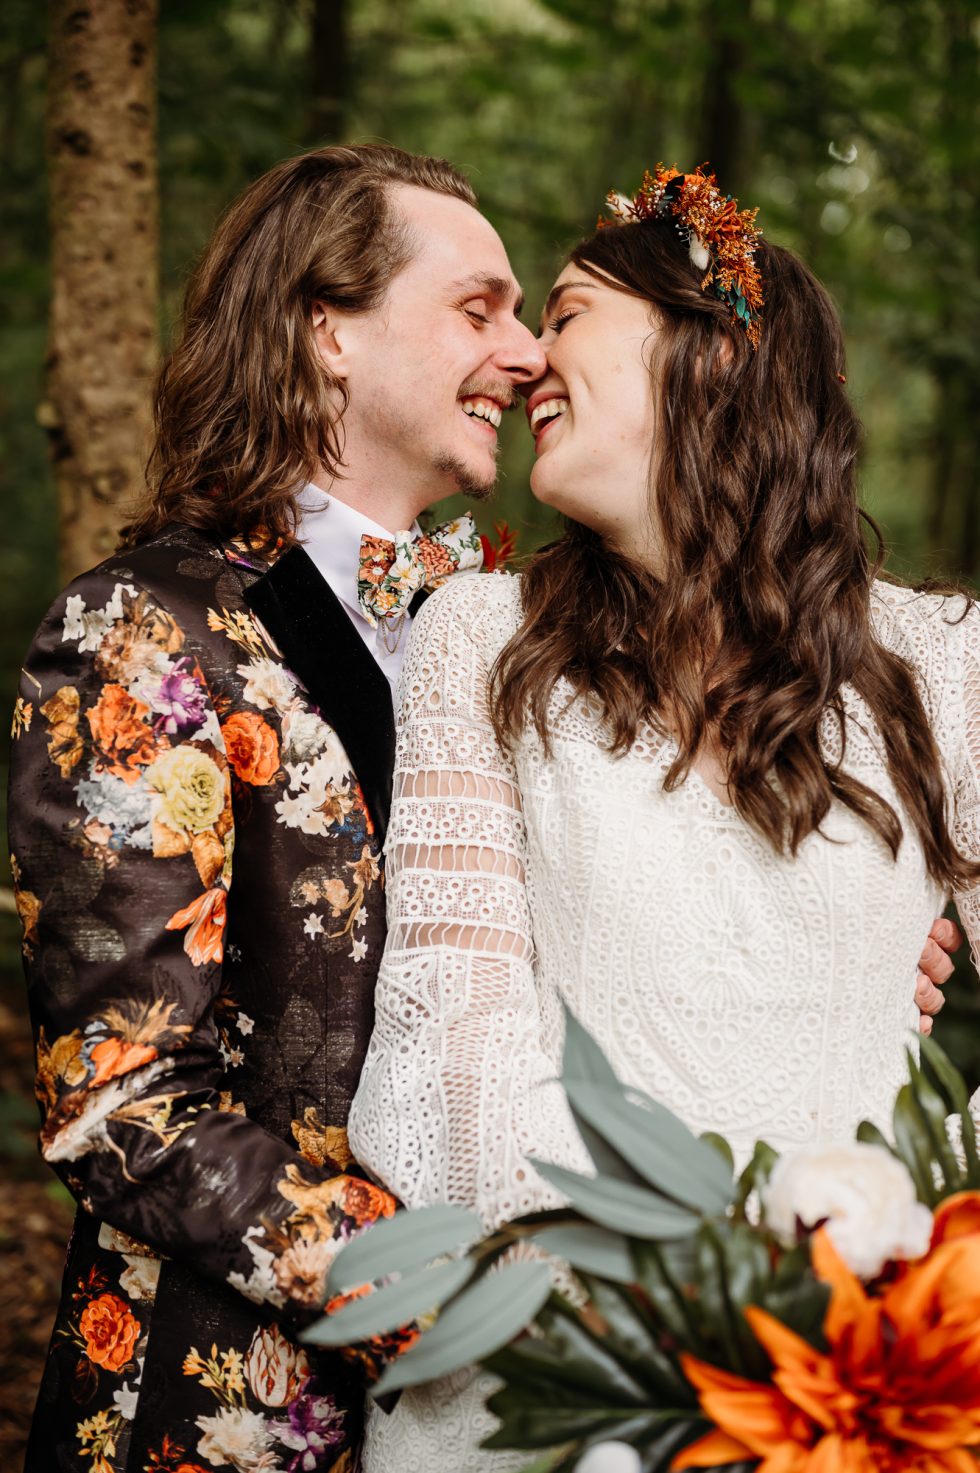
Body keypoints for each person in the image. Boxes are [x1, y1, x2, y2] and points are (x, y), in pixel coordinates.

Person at [347, 165, 979, 1471]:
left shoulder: (949, 664)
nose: (529, 365)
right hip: (574, 1364)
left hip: (863, 1380)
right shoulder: (479, 638)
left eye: (566, 312)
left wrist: (920, 1281)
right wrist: (679, 1307)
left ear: (704, 351)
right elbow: (458, 1029)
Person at [8, 143, 546, 1473]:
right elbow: (119, 1097)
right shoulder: (145, 632)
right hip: (231, 1412)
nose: (528, 353)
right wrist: (448, 1297)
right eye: (480, 308)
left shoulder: (503, 646)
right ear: (328, 334)